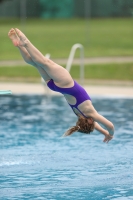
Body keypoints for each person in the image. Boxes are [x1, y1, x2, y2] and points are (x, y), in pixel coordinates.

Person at [8, 28, 114, 143]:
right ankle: (19, 45)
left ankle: (25, 42)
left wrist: (111, 134)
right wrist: (105, 134)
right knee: (34, 62)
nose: (94, 122)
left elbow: (110, 125)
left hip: (66, 84)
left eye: (92, 122)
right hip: (54, 86)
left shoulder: (90, 113)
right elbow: (96, 126)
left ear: (89, 122)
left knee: (45, 62)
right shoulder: (80, 115)